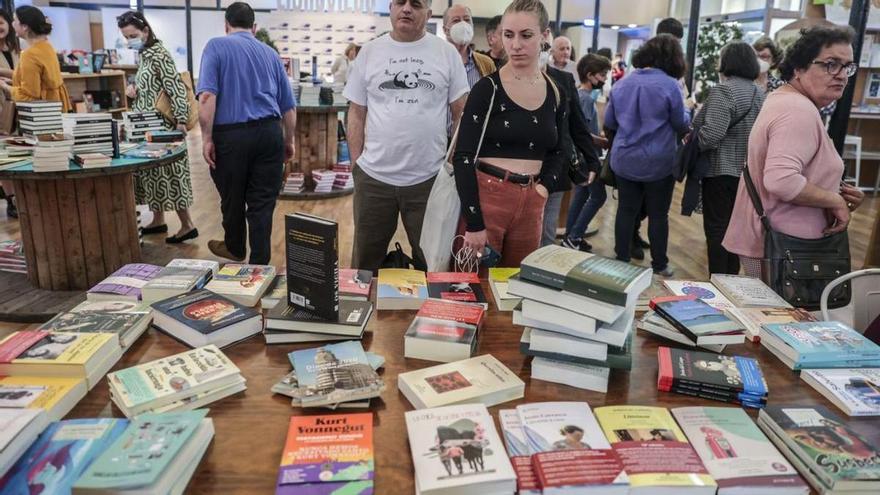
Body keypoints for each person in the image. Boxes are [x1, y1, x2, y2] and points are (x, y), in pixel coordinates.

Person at [723, 25, 865, 278]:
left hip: (780, 244)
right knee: (776, 315)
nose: (842, 75)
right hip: (784, 247)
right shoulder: (797, 110)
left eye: (847, 67)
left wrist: (835, 189)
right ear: (799, 68)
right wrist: (834, 200)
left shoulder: (785, 100)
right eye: (831, 64)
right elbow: (782, 180)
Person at [344, 0, 469, 273]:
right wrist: (356, 164)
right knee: (364, 266)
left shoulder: (446, 54)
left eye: (416, 3)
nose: (407, 8)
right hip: (374, 178)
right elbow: (356, 111)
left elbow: (463, 112)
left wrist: (450, 164)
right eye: (400, 2)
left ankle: (430, 315)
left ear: (429, 13)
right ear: (390, 8)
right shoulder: (369, 52)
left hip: (428, 180)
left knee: (432, 264)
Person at [453, 0, 565, 267]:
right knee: (470, 289)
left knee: (516, 291)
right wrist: (475, 222)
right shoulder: (487, 89)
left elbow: (560, 148)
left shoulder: (555, 90)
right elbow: (463, 156)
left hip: (533, 201)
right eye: (508, 35)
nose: (515, 45)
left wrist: (543, 189)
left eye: (526, 35)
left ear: (544, 35)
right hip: (487, 198)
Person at [197, 2, 296, 265]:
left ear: (226, 25)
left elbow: (207, 96)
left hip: (231, 137)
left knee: (232, 196)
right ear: (254, 27)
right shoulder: (271, 54)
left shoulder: (216, 46)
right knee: (262, 204)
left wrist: (206, 138)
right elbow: (288, 105)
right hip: (269, 134)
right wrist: (289, 140)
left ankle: (235, 247)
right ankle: (260, 264)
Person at [604, 34, 690, 276]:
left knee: (626, 210)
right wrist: (689, 115)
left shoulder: (622, 83)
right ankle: (660, 264)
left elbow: (609, 121)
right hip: (658, 161)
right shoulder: (670, 86)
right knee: (658, 214)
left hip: (624, 159)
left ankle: (621, 258)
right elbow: (679, 123)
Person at [117, 11, 198, 244]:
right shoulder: (146, 54)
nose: (129, 40)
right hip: (147, 126)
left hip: (162, 128)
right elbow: (153, 87)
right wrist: (135, 92)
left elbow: (175, 87)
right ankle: (158, 219)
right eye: (125, 37)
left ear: (145, 31)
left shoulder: (158, 54)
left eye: (132, 35)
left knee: (169, 176)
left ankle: (187, 225)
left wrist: (181, 120)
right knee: (154, 175)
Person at [691, 41, 765, 275]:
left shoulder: (724, 90)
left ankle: (718, 281)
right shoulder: (760, 94)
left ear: (727, 62)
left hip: (721, 170)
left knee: (716, 229)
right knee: (736, 230)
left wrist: (694, 142)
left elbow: (711, 134)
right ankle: (731, 279)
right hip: (748, 173)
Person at [540, 48, 602, 248]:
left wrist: (592, 160)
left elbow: (578, 125)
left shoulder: (564, 80)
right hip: (519, 169)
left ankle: (541, 272)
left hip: (556, 165)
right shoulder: (506, 79)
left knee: (547, 234)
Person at [562, 53, 612, 252]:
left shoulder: (581, 96)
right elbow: (583, 134)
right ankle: (574, 236)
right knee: (598, 197)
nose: (605, 79)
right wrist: (605, 141)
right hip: (586, 157)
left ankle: (571, 236)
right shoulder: (585, 100)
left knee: (581, 195)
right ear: (590, 75)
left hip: (582, 156)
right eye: (602, 75)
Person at [0, 6, 70, 112]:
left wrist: (6, 87)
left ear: (24, 27)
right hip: (55, 109)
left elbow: (29, 97)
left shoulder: (29, 55)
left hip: (42, 115)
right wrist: (12, 81)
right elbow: (41, 83)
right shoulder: (46, 46)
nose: (12, 24)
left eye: (15, 20)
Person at [443, 4, 495, 88]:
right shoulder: (434, 61)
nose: (463, 24)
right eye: (456, 20)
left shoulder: (487, 63)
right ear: (445, 30)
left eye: (467, 20)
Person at [0, 9, 20, 219]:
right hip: (1, 108)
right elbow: (20, 74)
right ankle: (11, 199)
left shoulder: (16, 48)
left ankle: (21, 198)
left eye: (2, 22)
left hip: (19, 104)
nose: (0, 26)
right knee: (4, 154)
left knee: (19, 150)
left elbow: (21, 74)